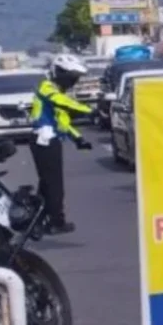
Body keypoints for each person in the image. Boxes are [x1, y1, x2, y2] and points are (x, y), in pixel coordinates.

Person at [29, 53, 94, 234]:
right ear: (59, 73)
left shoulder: (55, 91)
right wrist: (89, 111)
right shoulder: (46, 88)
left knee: (47, 184)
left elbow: (61, 121)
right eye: (72, 78)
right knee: (54, 184)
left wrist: (77, 138)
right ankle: (56, 222)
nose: (73, 82)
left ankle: (38, 218)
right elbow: (64, 103)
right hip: (43, 140)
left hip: (48, 139)